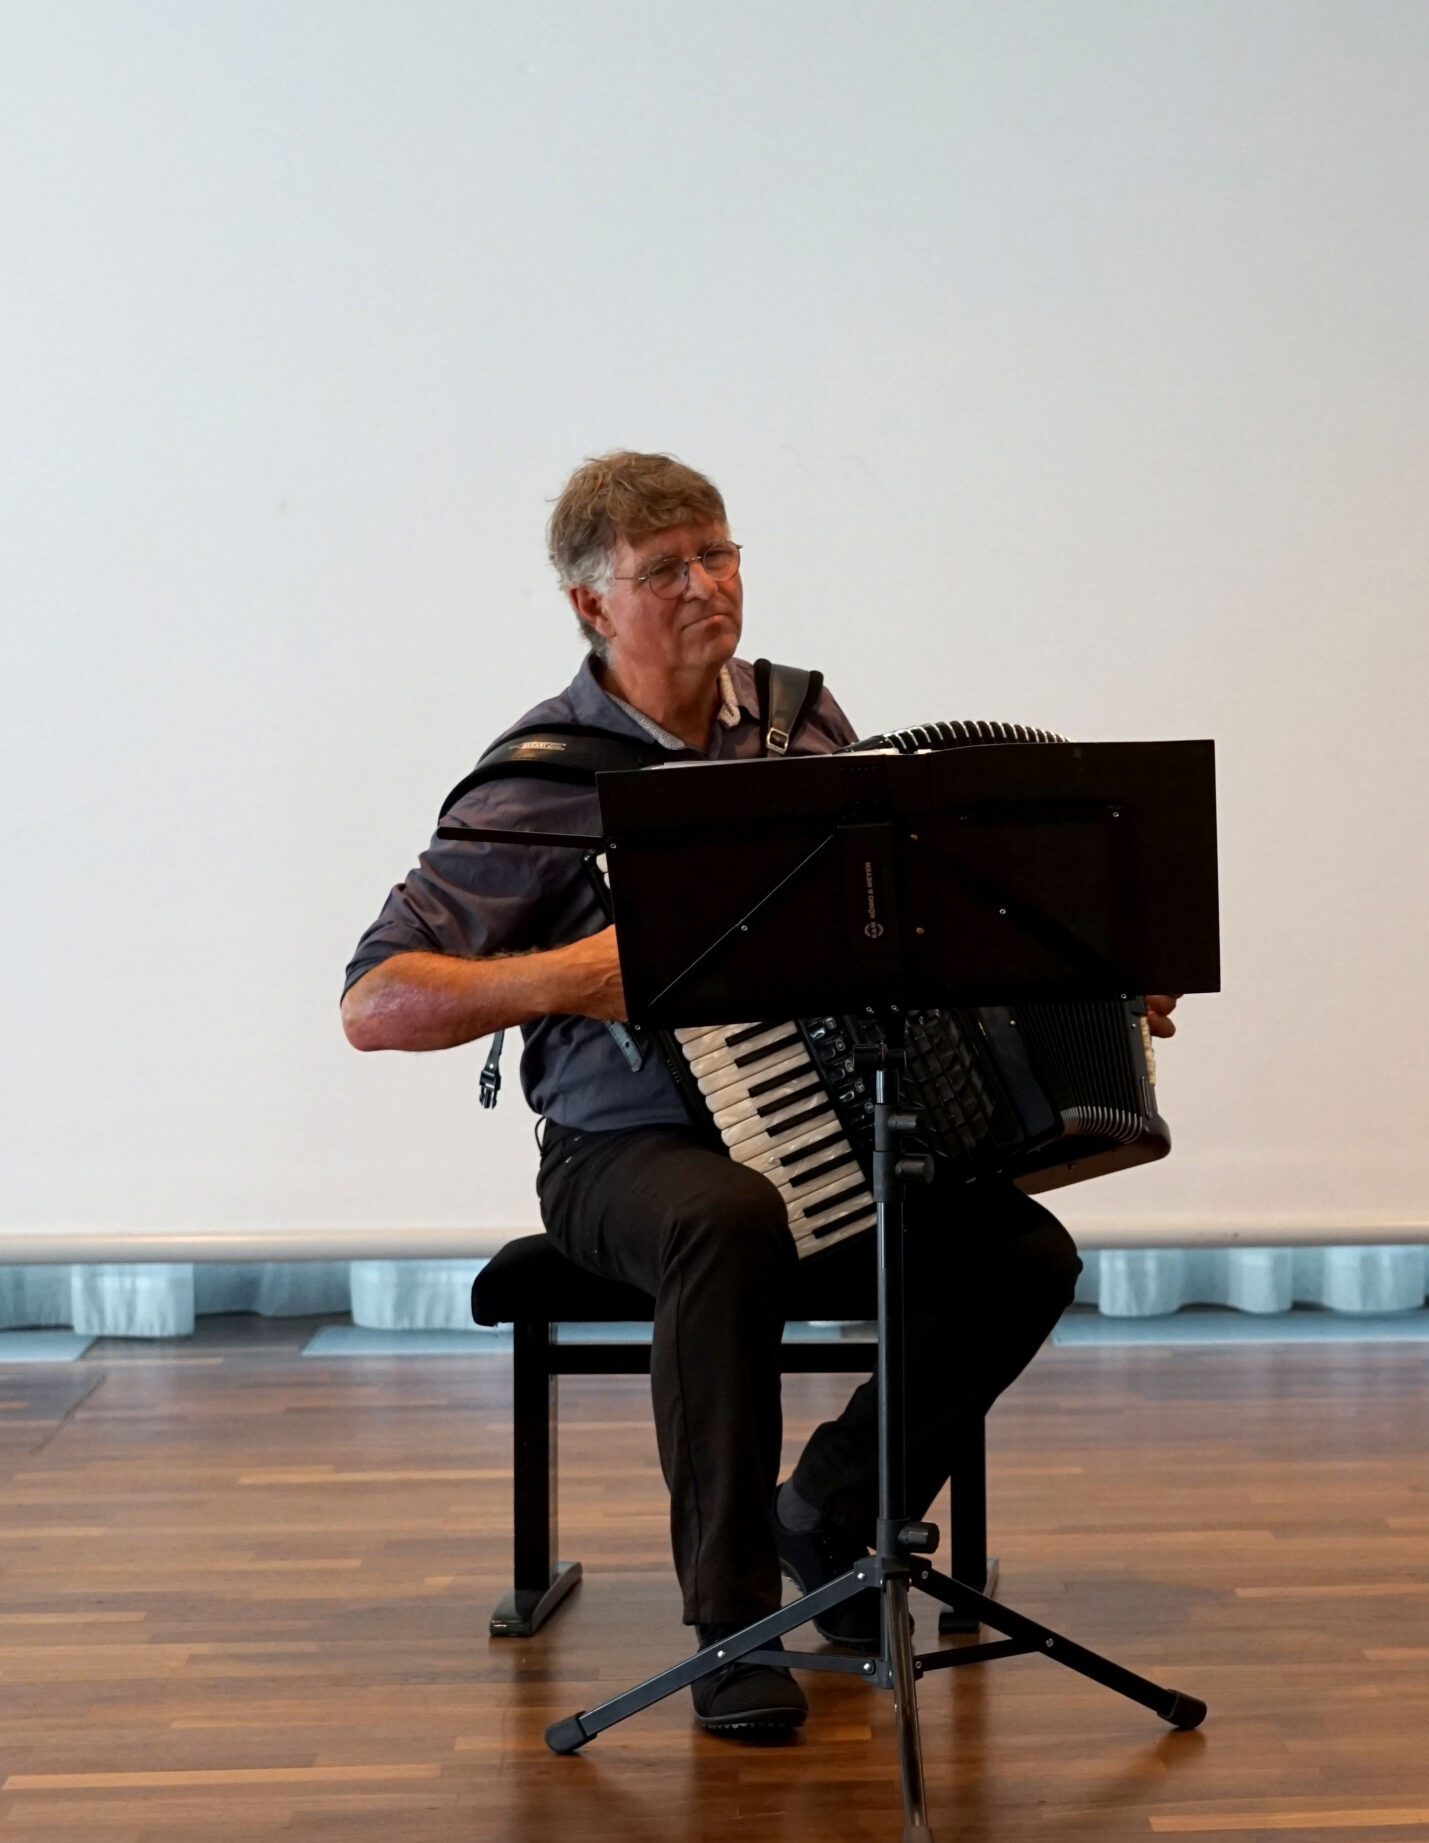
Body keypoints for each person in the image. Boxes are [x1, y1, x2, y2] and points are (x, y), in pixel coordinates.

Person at [342, 450, 1179, 1732]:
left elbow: (895, 929)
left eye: (718, 554)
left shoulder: (805, 724)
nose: (704, 586)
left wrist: (1082, 989)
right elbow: (378, 1001)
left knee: (1023, 1252)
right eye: (663, 569)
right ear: (591, 604)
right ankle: (730, 1623)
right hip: (624, 1156)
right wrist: (576, 972)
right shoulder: (543, 777)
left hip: (834, 1128)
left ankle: (832, 1510)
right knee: (727, 1217)